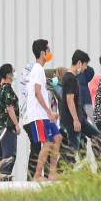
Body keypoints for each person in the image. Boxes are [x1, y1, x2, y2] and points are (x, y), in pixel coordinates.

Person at [26, 40, 62, 181]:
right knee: (47, 142)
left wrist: (50, 112)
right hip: (39, 114)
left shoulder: (39, 69)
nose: (49, 53)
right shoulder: (38, 69)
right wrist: (48, 111)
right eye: (48, 50)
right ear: (42, 53)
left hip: (45, 114)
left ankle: (52, 173)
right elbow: (37, 92)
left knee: (57, 138)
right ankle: (37, 175)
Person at [61, 50, 101, 162]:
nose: (85, 68)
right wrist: (75, 120)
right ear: (79, 63)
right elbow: (69, 100)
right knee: (73, 149)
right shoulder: (70, 78)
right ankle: (65, 173)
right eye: (85, 65)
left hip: (79, 118)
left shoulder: (72, 78)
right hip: (72, 120)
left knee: (96, 135)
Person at [0, 64, 19, 177]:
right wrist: (16, 124)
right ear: (8, 75)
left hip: (6, 124)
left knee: (10, 151)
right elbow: (9, 108)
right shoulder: (7, 89)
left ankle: (6, 174)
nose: (15, 73)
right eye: (13, 71)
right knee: (9, 153)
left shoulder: (4, 88)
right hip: (7, 125)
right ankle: (4, 174)